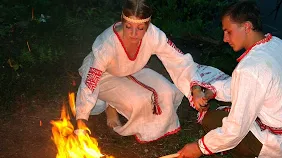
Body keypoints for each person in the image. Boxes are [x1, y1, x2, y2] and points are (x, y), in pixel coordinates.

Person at [176, 1, 282, 158]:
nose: (225, 38)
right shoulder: (276, 44)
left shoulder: (249, 68)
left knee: (212, 120)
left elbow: (235, 130)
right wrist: (214, 91)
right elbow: (246, 86)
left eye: (228, 31)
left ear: (247, 27)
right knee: (228, 116)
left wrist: (199, 147)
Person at [75, 0, 199, 143]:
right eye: (128, 27)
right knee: (139, 101)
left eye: (140, 28)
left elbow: (179, 59)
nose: (134, 34)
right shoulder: (107, 45)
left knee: (167, 92)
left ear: (148, 25)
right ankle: (111, 106)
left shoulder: (153, 34)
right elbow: (90, 82)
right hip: (104, 76)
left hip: (133, 69)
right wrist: (81, 121)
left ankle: (157, 129)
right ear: (122, 22)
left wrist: (195, 87)